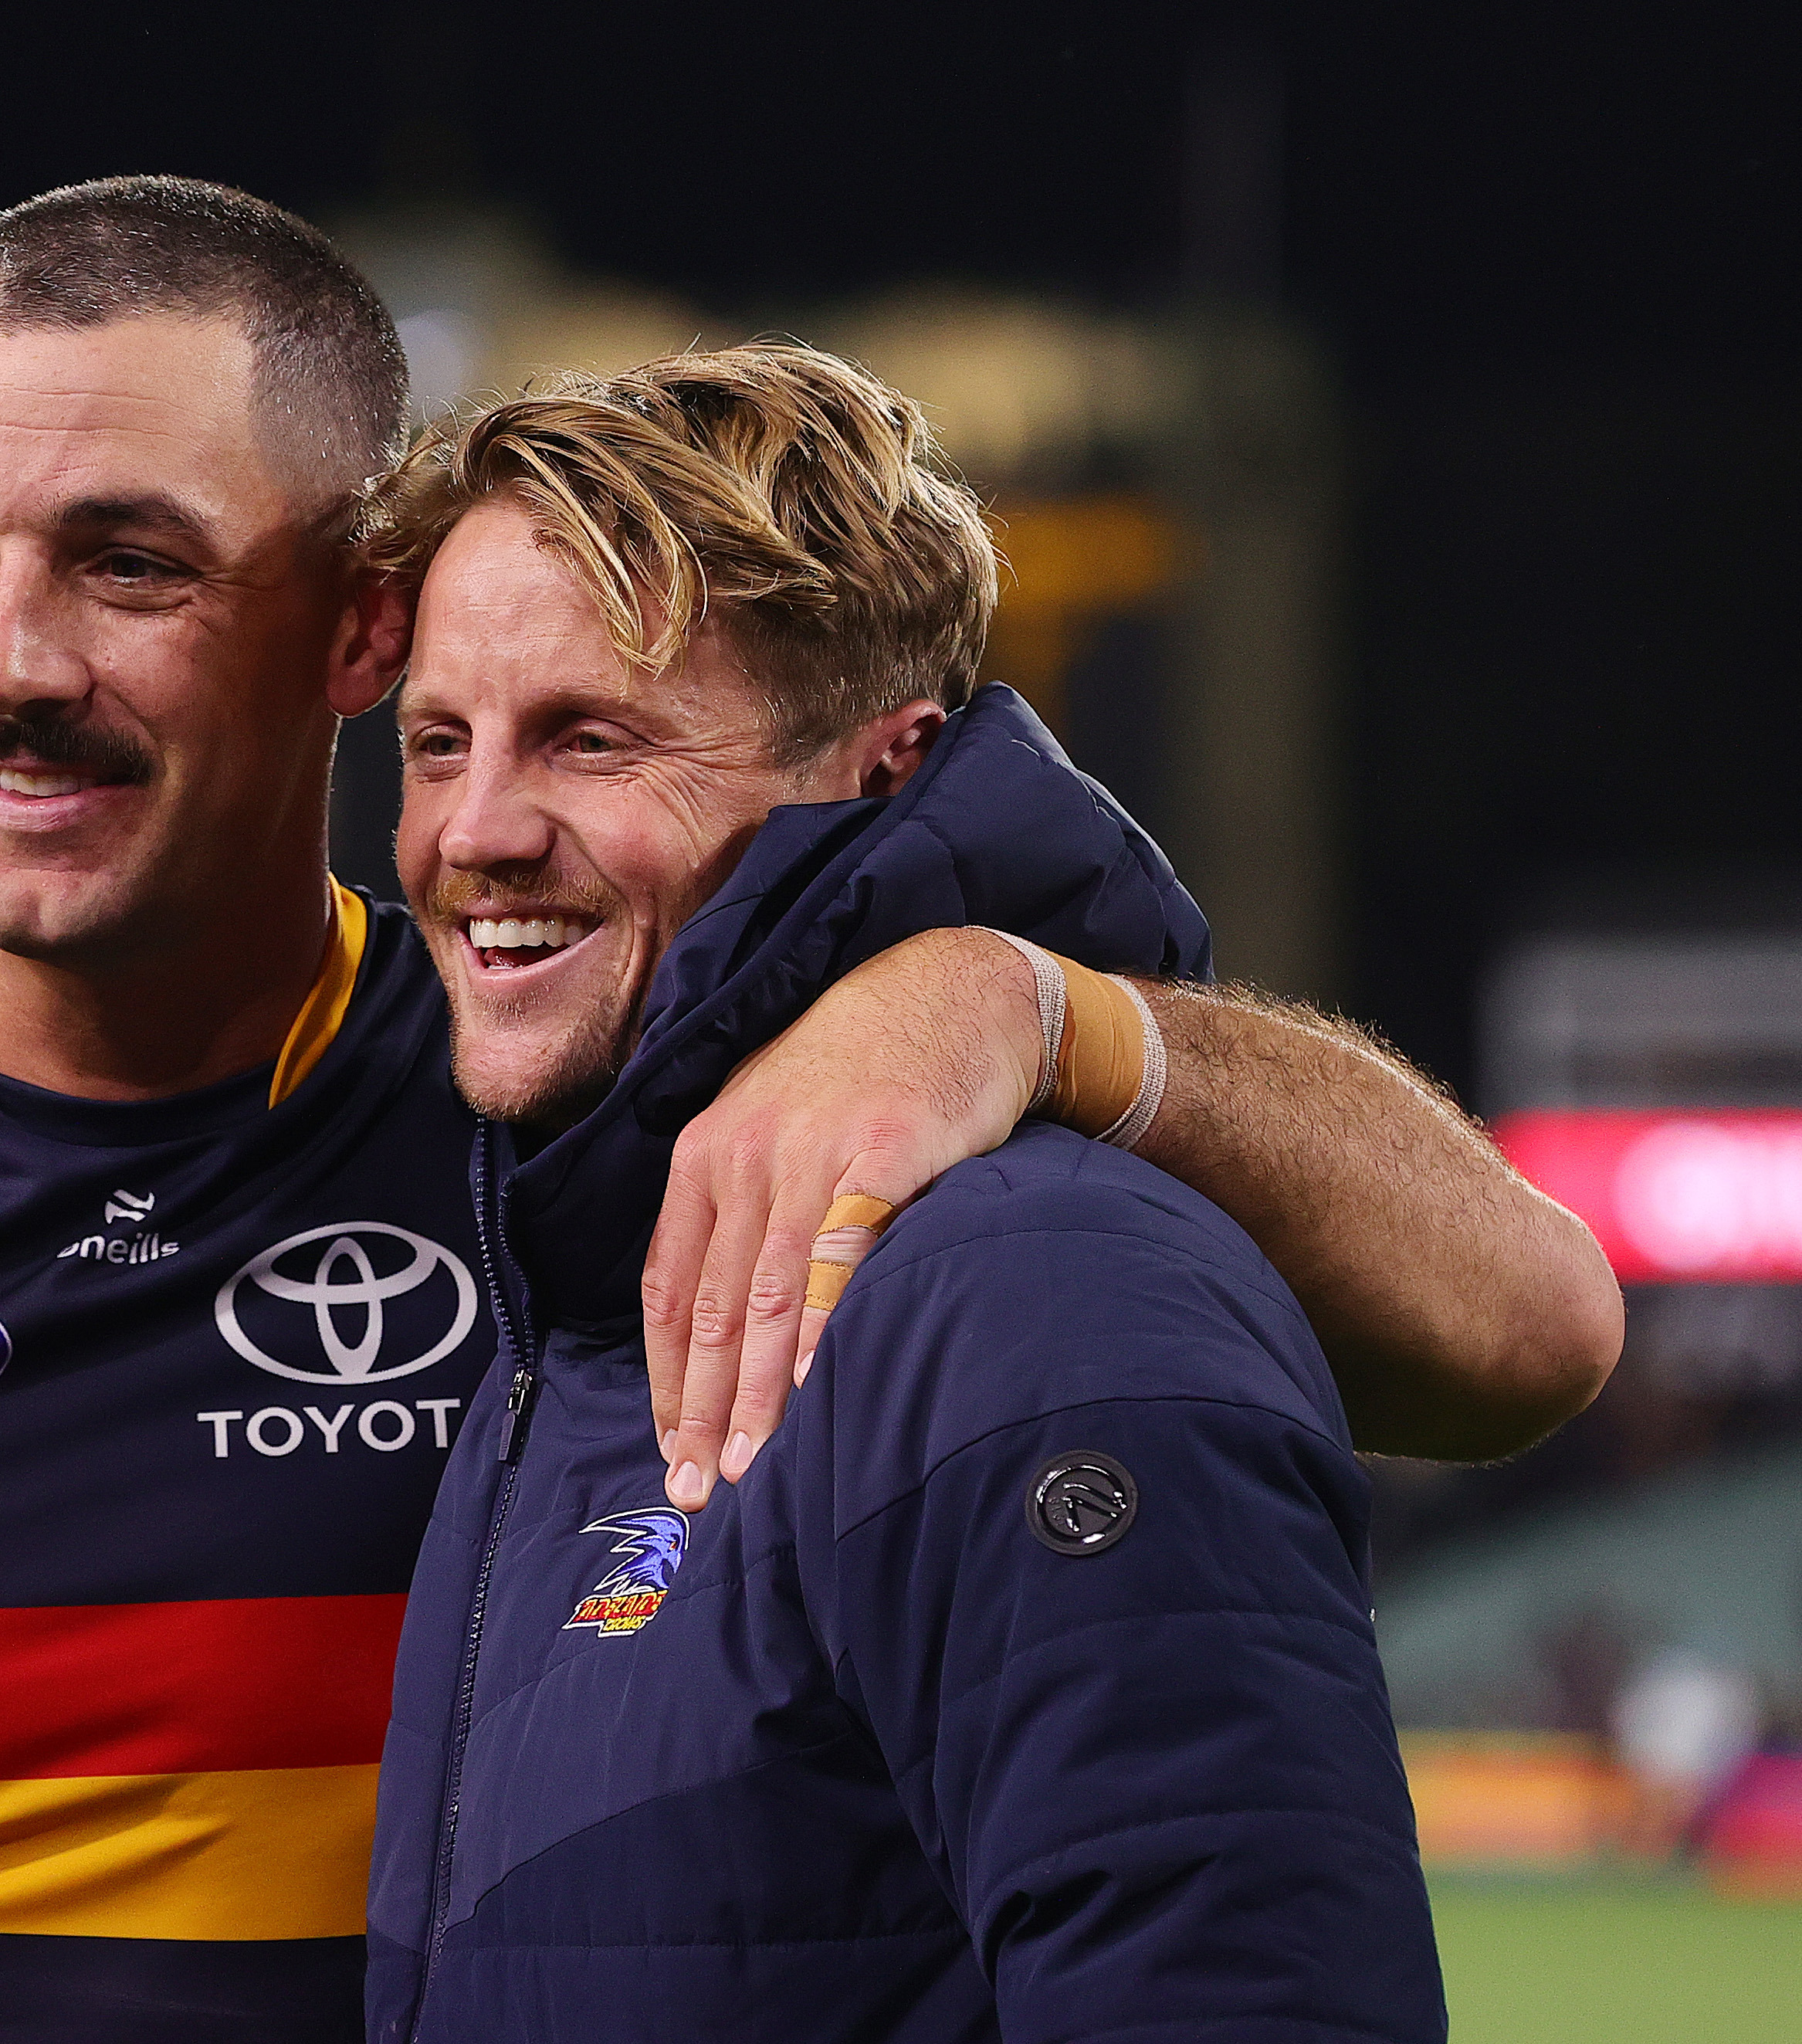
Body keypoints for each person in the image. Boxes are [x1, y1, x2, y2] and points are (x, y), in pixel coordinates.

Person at [0, 181, 1608, 2044]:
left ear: (347, 634)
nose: (5, 666)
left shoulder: (588, 1122)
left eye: (127, 566)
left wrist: (1021, 1004)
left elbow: (1516, 1325)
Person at [365, 343, 1449, 2040]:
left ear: (883, 762)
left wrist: (1016, 1002)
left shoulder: (1033, 1291)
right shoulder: (564, 1264)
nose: (474, 830)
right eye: (436, 742)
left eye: (589, 737)